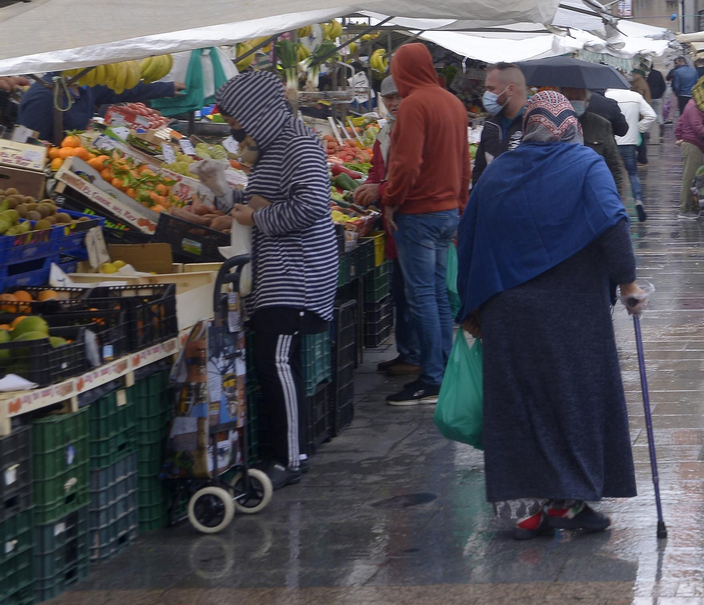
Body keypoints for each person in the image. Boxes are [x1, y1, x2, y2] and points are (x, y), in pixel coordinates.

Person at [456, 92, 642, 537]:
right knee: (574, 403)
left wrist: (472, 304)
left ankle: (529, 510)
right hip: (573, 313)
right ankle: (568, 502)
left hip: (510, 313)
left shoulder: (499, 169)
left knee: (519, 407)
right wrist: (628, 283)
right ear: (572, 128)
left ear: (528, 127)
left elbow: (469, 236)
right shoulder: (584, 165)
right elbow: (612, 223)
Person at [211, 71, 338, 488]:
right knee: (277, 361)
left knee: (276, 360)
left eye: (236, 118)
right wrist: (223, 193)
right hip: (276, 273)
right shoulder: (273, 148)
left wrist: (258, 216)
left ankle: (289, 459)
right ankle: (291, 451)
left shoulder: (298, 144)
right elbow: (259, 204)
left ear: (255, 112)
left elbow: (314, 205)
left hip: (297, 274)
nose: (234, 127)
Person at [383, 43, 471, 406]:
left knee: (421, 297)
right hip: (447, 211)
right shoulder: (453, 103)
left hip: (418, 213)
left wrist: (390, 198)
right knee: (435, 294)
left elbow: (406, 164)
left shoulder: (414, 105)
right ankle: (444, 368)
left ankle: (432, 378)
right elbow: (464, 162)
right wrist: (460, 205)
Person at [355, 77, 415, 377]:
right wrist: (368, 186)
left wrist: (378, 189)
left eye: (397, 97)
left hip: (409, 221)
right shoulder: (384, 134)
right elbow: (377, 172)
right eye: (388, 98)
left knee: (413, 294)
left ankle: (418, 357)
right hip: (393, 224)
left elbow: (408, 177)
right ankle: (407, 352)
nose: (393, 103)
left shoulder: (412, 131)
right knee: (400, 292)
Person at [18, 73, 181, 143]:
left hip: (75, 162)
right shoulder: (42, 98)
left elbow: (125, 90)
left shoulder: (86, 86)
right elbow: (24, 146)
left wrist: (167, 88)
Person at [556, 87, 630, 206]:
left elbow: (614, 166)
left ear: (586, 101)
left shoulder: (600, 125)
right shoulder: (553, 126)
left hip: (594, 197)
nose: (574, 101)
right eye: (570, 98)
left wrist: (616, 200)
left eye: (578, 98)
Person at [471, 62, 531, 186]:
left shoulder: (534, 126)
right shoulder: (490, 126)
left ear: (510, 89)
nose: (486, 95)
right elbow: (479, 170)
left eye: (491, 89)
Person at [605, 85, 657, 222]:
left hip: (613, 141)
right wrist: (638, 128)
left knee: (612, 173)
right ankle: (638, 200)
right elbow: (651, 115)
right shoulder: (635, 96)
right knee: (633, 173)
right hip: (630, 141)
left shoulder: (607, 97)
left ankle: (614, 203)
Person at [675, 96, 704, 219]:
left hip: (693, 145)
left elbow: (679, 124)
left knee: (694, 179)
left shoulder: (691, 105)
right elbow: (698, 128)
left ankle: (692, 206)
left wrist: (680, 137)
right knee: (689, 178)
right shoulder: (694, 107)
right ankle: (684, 209)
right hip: (693, 146)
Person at [668, 56, 698, 123]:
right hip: (691, 94)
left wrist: (677, 93)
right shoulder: (694, 71)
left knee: (683, 112)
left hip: (682, 94)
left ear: (680, 62)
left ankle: (684, 126)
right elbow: (696, 82)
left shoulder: (677, 71)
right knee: (691, 111)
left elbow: (676, 85)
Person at [644, 60, 668, 134]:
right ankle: (661, 124)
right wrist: (660, 94)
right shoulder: (658, 73)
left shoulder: (644, 75)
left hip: (647, 98)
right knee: (657, 113)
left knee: (647, 114)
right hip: (657, 97)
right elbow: (663, 86)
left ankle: (647, 131)